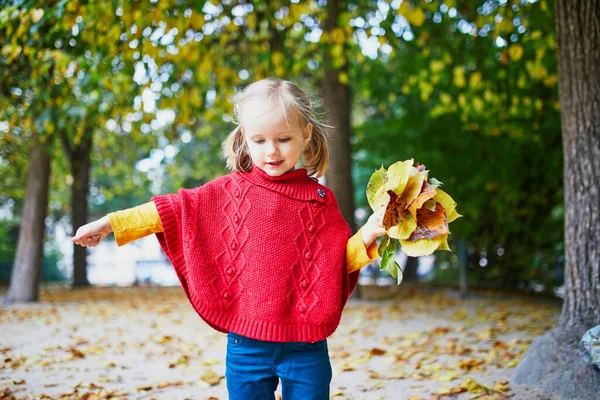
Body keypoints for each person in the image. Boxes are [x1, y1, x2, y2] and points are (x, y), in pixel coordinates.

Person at [72, 77, 387, 400]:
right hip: (246, 345)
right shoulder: (227, 192)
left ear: (306, 134)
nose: (272, 151)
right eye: (260, 140)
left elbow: (336, 260)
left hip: (306, 346)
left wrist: (368, 234)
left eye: (283, 138)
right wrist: (110, 223)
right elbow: (171, 211)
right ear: (244, 139)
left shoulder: (321, 200)